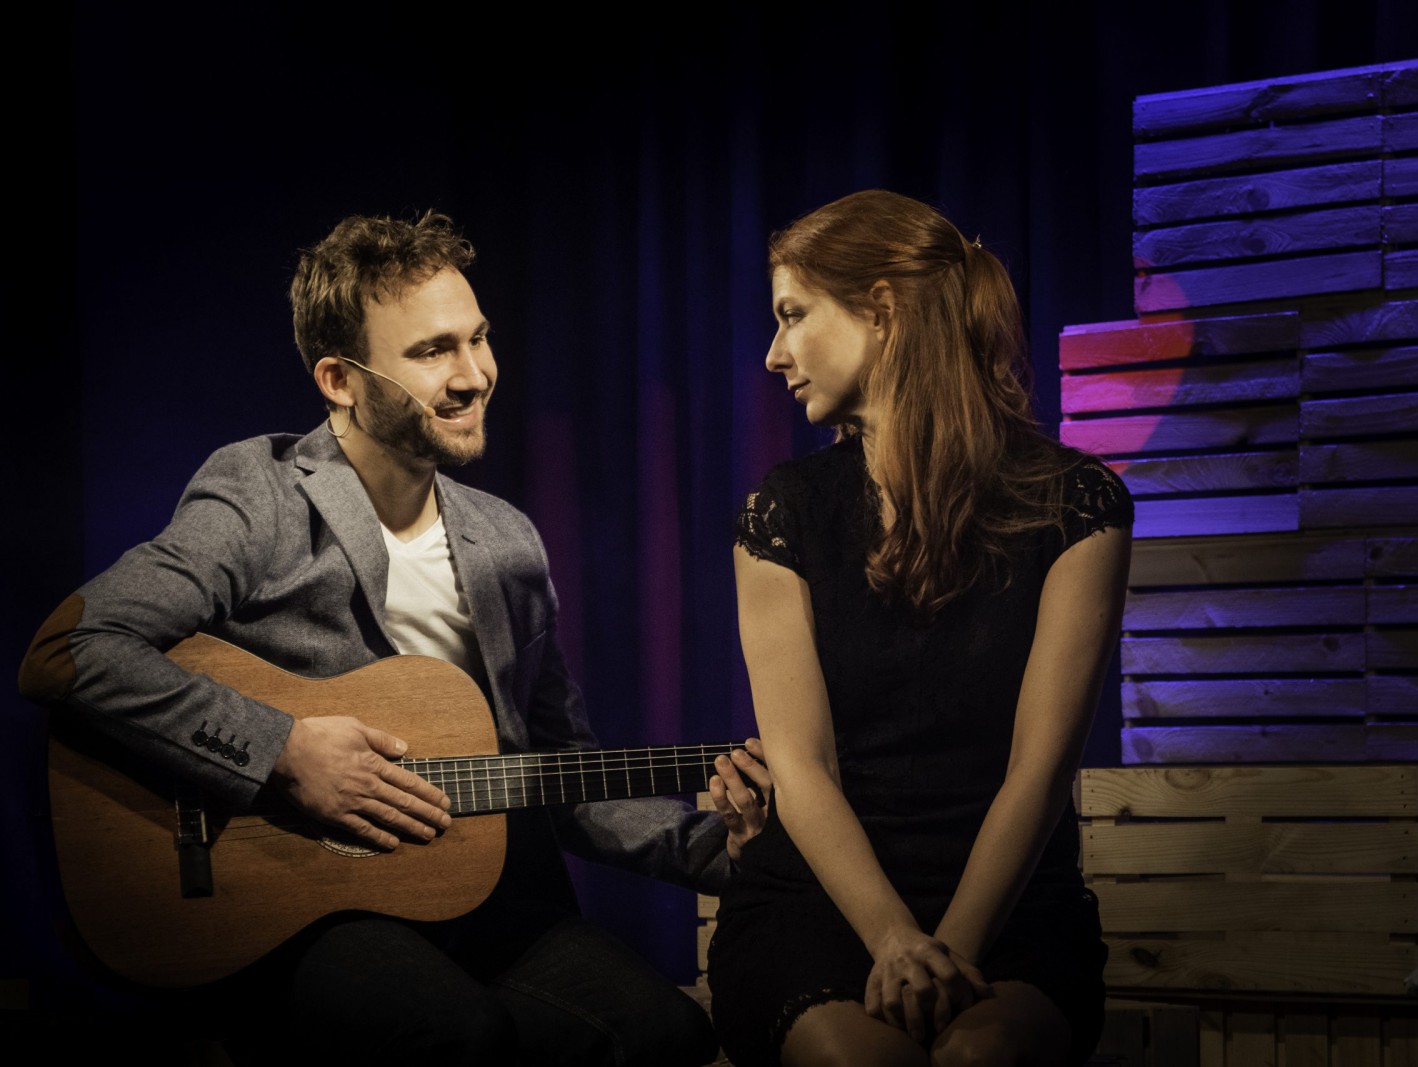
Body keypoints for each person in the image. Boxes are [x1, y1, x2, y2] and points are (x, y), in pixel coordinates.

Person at [20, 211, 770, 1067]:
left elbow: (563, 773)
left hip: (474, 897)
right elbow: (69, 650)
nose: (475, 374)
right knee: (456, 1036)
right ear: (340, 379)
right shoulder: (260, 494)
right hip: (297, 902)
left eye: (479, 338)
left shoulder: (508, 542)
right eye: (432, 352)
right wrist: (284, 749)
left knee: (669, 1035)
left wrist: (727, 850)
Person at [706, 190, 1132, 1067]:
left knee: (980, 1058)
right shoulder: (783, 513)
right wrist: (896, 938)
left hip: (1009, 903)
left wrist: (954, 947)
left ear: (884, 311)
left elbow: (1040, 769)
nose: (773, 352)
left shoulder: (1076, 507)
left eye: (793, 315)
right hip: (822, 902)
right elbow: (803, 764)